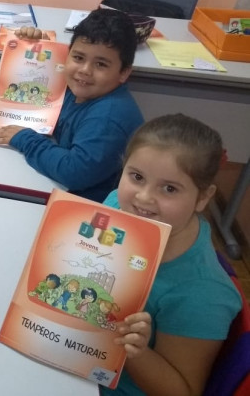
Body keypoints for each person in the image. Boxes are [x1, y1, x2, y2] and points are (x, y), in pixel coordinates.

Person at [101, 114, 241, 396]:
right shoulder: (119, 203)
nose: (143, 197)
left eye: (169, 188)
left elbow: (182, 391)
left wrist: (136, 351)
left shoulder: (202, 294)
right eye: (137, 177)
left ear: (203, 198)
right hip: (74, 350)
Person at [0, 8, 143, 202]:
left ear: (124, 73)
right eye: (78, 58)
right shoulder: (79, 88)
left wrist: (25, 139)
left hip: (85, 204)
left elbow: (74, 172)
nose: (85, 70)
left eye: (101, 64)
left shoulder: (108, 118)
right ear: (67, 55)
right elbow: (31, 88)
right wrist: (37, 47)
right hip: (56, 187)